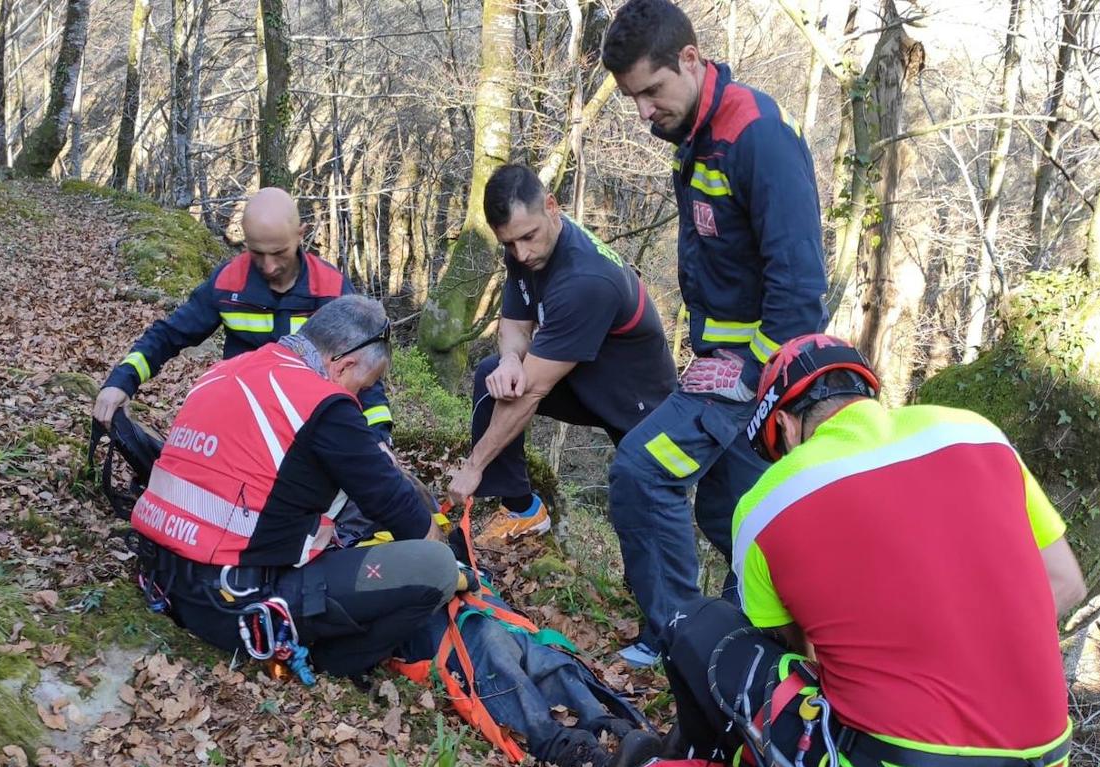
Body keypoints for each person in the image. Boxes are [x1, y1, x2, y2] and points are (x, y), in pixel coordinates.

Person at [631, 334, 1087, 767]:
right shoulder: (977, 432)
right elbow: (1066, 581)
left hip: (897, 758)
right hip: (1045, 754)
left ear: (786, 425)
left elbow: (800, 656)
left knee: (700, 626)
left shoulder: (767, 501)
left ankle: (679, 759)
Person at [601, 0, 829, 665]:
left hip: (756, 372)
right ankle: (752, 644)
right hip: (721, 362)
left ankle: (677, 638)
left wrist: (753, 378)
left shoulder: (755, 135)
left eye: (651, 90)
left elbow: (800, 286)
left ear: (692, 60)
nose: (644, 111)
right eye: (632, 98)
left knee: (644, 472)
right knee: (733, 517)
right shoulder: (696, 131)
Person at [129, 295, 460, 678]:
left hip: (164, 576)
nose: (357, 397)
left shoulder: (227, 370)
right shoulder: (323, 403)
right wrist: (447, 554)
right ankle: (333, 665)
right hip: (235, 607)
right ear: (344, 364)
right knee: (437, 568)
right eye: (362, 385)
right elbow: (396, 504)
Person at [446, 165, 677, 548]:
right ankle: (523, 512)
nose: (521, 253)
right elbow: (516, 323)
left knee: (643, 496)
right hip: (585, 376)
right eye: (509, 244)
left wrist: (473, 468)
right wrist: (509, 360)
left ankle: (656, 593)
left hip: (640, 402)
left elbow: (532, 391)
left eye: (527, 238)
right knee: (495, 377)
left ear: (552, 206)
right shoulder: (525, 249)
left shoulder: (585, 281)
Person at [93, 187, 393, 436]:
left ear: (301, 234)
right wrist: (122, 381)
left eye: (279, 253)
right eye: (257, 253)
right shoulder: (228, 282)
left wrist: (379, 438)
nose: (269, 266)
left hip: (307, 425)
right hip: (238, 421)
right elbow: (169, 335)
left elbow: (363, 370)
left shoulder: (331, 289)